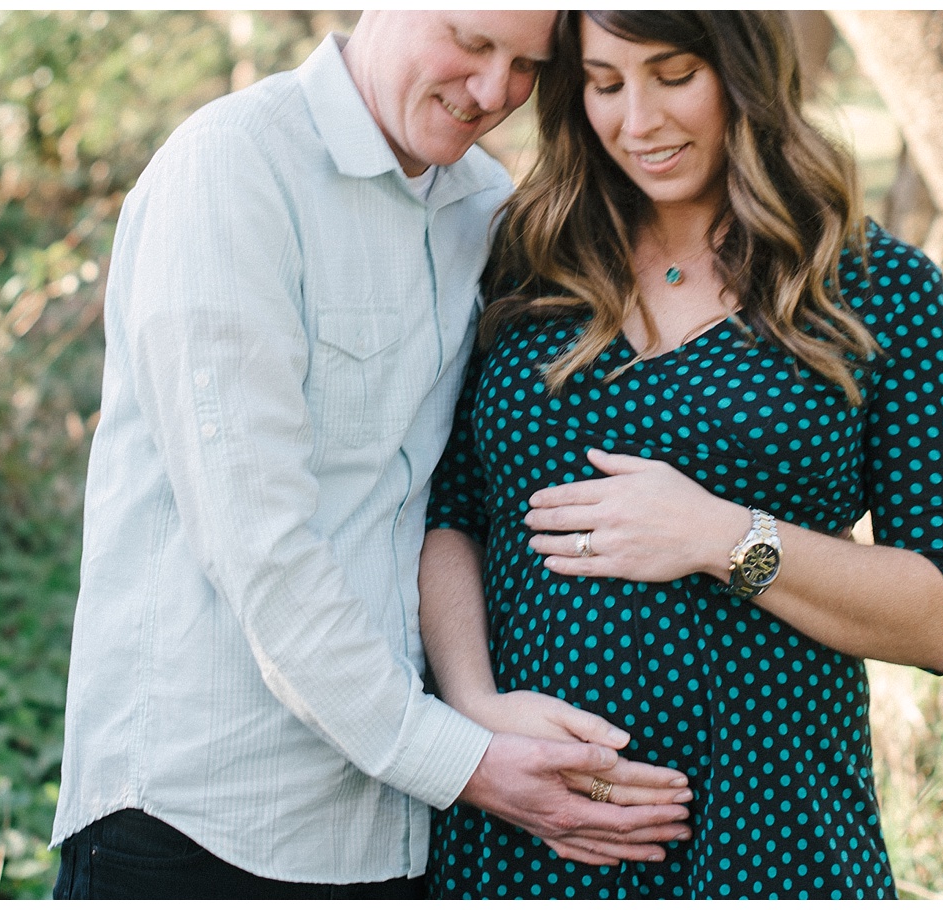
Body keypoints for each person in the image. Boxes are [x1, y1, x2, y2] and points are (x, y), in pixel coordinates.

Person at [49, 11, 696, 900]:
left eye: (524, 67)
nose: (491, 92)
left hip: (392, 832)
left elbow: (453, 500)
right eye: (471, 44)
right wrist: (469, 763)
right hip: (200, 820)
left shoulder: (483, 207)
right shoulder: (233, 171)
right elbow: (259, 545)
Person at [419, 10, 943, 899]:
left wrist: (724, 537)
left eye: (674, 74)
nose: (638, 121)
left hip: (765, 833)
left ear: (745, 73)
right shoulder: (528, 265)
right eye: (607, 85)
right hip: (525, 832)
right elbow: (450, 512)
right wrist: (476, 710)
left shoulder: (879, 291)